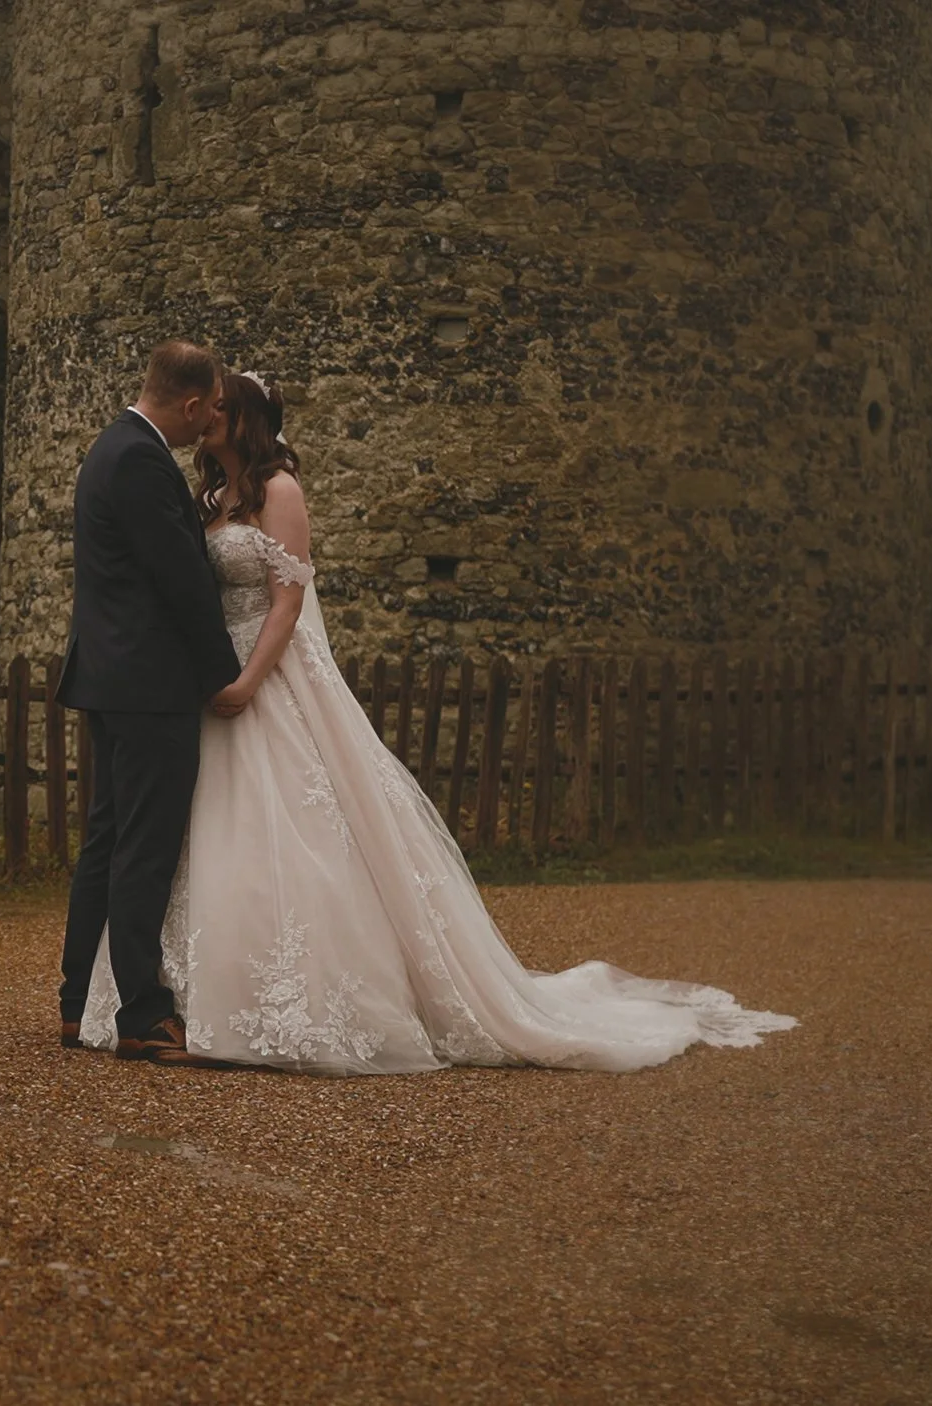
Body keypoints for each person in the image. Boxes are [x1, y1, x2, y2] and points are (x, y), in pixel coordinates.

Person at [78, 372, 796, 1073]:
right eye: (206, 408)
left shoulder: (280, 491)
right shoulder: (212, 496)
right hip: (212, 680)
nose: (206, 419)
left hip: (266, 673)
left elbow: (288, 604)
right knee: (206, 827)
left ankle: (296, 1000)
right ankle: (187, 994)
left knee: (295, 823)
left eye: (221, 409)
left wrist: (246, 681)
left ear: (248, 420)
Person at [57, 340, 245, 1062]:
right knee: (145, 844)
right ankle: (140, 1011)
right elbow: (181, 579)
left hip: (113, 677)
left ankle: (78, 1000)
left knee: (108, 840)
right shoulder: (140, 458)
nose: (210, 424)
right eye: (209, 410)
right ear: (191, 404)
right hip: (148, 683)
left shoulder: (111, 446)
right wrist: (222, 674)